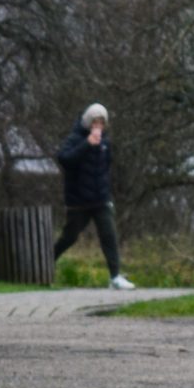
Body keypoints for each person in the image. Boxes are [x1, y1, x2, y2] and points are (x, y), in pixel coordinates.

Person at [53, 103, 133, 290]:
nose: (98, 126)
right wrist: (86, 144)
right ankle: (46, 261)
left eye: (101, 123)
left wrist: (106, 192)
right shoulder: (75, 138)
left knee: (109, 235)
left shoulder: (105, 143)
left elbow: (106, 167)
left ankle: (115, 276)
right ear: (88, 123)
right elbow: (65, 160)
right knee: (69, 237)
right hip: (79, 201)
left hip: (101, 199)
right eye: (95, 122)